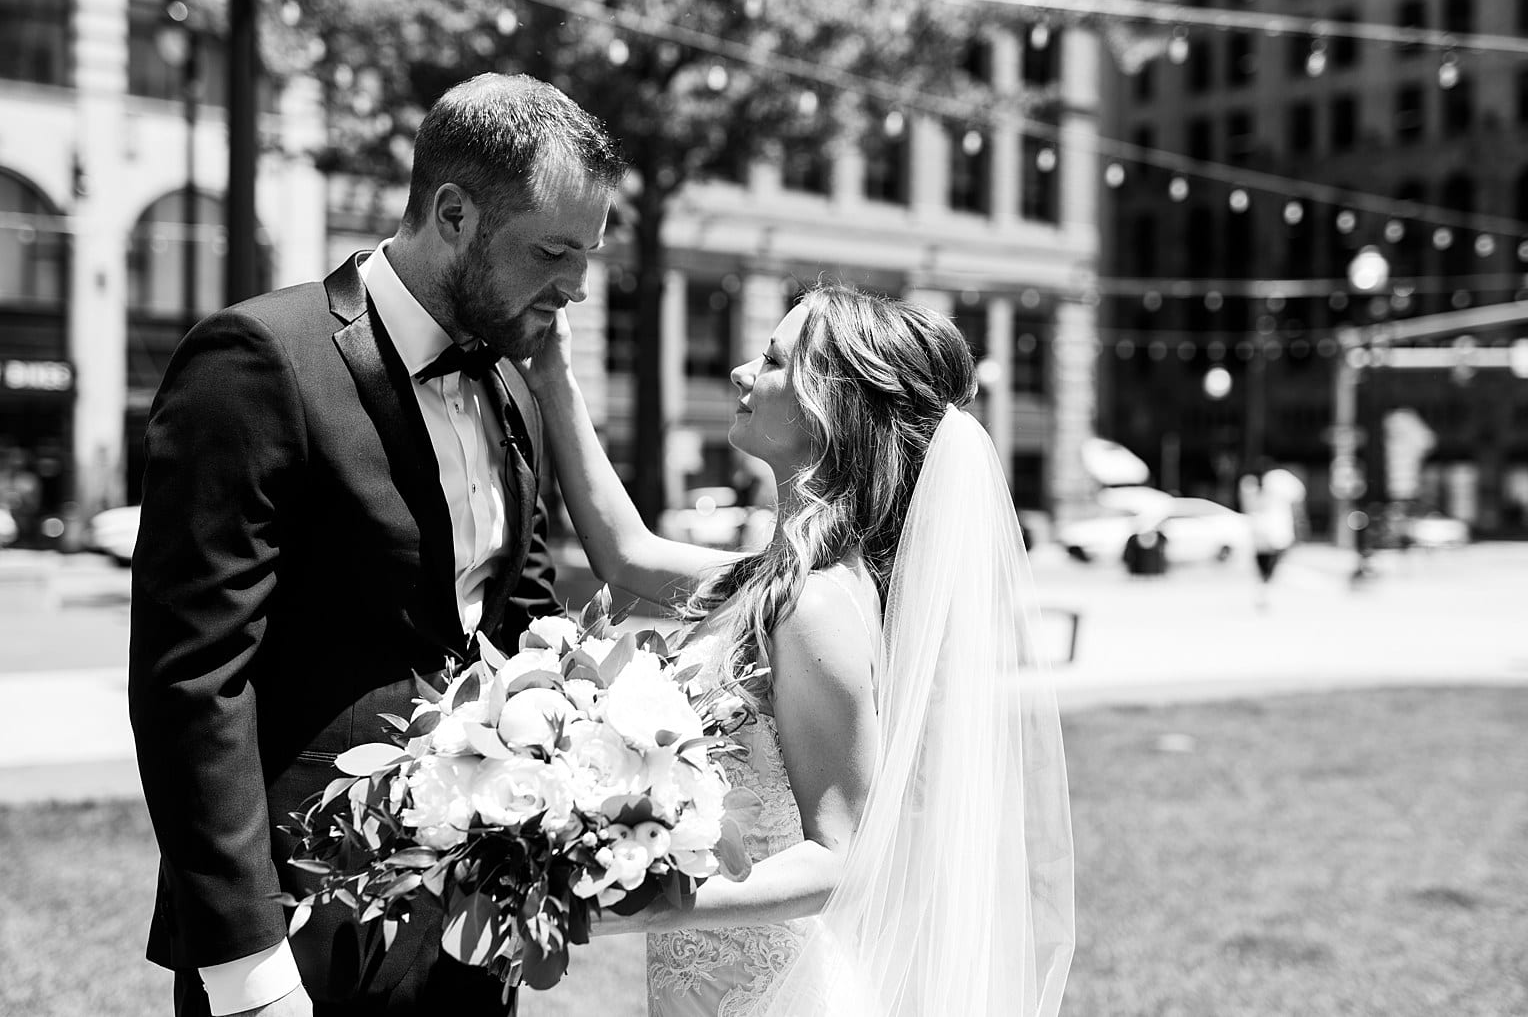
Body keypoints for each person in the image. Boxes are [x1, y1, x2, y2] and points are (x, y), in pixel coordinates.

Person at [127, 74, 624, 1017]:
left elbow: (521, 624)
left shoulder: (513, 386)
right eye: (555, 250)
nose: (578, 288)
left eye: (589, 254)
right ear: (452, 214)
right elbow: (191, 678)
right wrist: (247, 966)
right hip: (300, 923)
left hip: (472, 917)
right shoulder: (259, 360)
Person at [517, 283, 1074, 1017]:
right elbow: (625, 553)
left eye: (773, 360)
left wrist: (652, 902)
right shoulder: (773, 581)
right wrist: (553, 374)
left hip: (774, 992)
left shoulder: (818, 606)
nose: (742, 372)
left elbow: (845, 859)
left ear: (828, 407)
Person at [1238, 460, 1308, 608]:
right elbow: (1297, 504)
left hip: (1259, 527)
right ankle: (1264, 588)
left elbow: (1247, 506)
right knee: (1272, 561)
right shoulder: (1280, 481)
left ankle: (1262, 588)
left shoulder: (1249, 484)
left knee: (1264, 562)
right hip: (1275, 529)